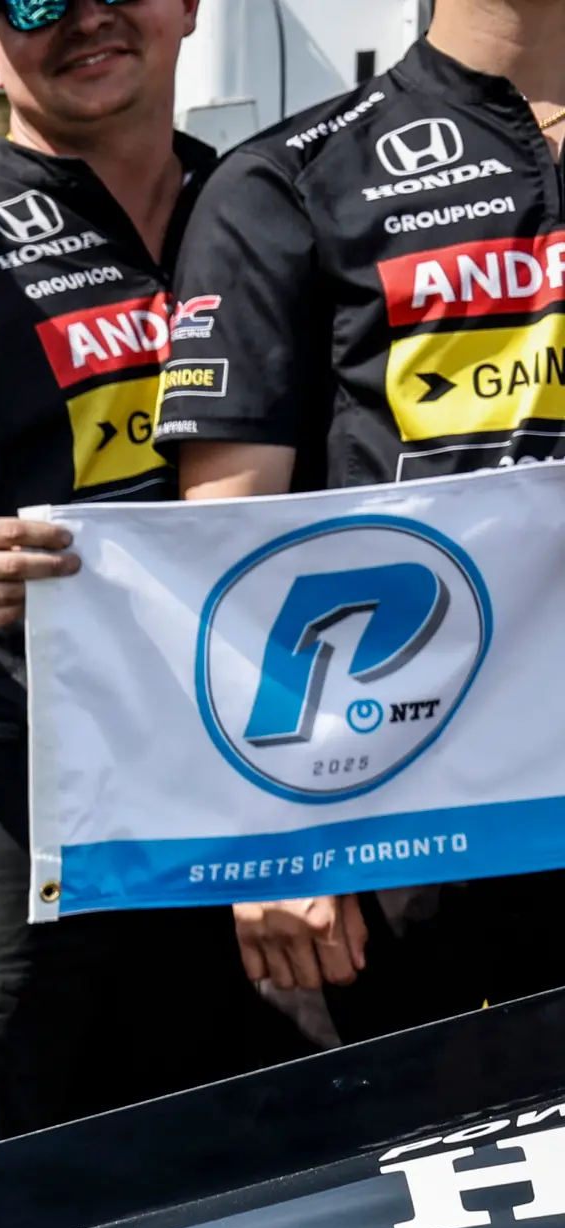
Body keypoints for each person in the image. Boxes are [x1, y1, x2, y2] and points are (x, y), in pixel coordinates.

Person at [0, 0, 293, 1133]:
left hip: (240, 786)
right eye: (33, 0)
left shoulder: (272, 215)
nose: (83, 20)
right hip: (0, 812)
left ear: (185, 9)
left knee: (227, 1177)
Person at [160, 0, 565, 1035]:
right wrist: (267, 836)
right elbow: (228, 543)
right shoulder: (288, 178)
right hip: (406, 813)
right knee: (427, 1184)